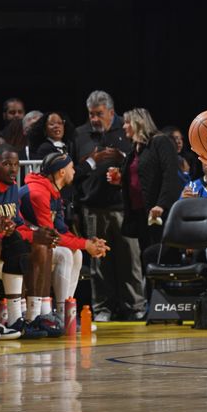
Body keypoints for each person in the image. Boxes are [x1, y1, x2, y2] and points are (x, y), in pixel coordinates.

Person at [0, 143, 60, 339]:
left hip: (2, 239)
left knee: (42, 244)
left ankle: (32, 316)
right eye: (7, 164)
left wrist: (34, 233)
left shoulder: (12, 185)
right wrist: (12, 230)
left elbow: (17, 223)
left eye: (15, 164)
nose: (13, 169)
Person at [70, 90, 144, 323]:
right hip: (92, 208)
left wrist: (120, 161)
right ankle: (103, 308)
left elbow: (141, 163)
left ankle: (135, 306)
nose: (94, 119)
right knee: (99, 263)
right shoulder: (80, 134)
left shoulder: (127, 129)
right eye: (91, 114)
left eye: (99, 114)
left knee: (130, 260)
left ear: (111, 112)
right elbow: (73, 174)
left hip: (123, 207)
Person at [20, 152, 109, 319]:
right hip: (25, 244)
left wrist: (87, 243)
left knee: (77, 254)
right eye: (72, 168)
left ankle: (67, 312)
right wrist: (85, 245)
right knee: (66, 254)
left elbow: (61, 230)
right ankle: (60, 313)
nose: (74, 172)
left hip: (41, 244)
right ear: (62, 172)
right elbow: (50, 236)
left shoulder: (53, 192)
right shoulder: (38, 193)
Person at [108, 108, 181, 251]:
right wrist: (120, 180)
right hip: (140, 212)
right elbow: (138, 176)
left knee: (161, 255)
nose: (123, 126)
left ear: (138, 123)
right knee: (146, 256)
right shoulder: (135, 149)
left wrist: (161, 204)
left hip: (158, 212)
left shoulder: (160, 142)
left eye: (127, 122)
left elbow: (170, 175)